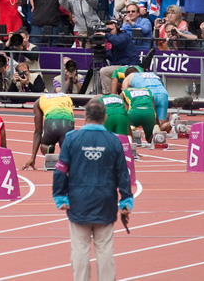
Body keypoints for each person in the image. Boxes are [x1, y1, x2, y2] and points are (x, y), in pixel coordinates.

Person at [52, 98, 133, 281]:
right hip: (106, 202)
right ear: (104, 117)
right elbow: (123, 173)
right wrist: (126, 200)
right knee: (105, 248)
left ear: (84, 115)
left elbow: (60, 171)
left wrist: (60, 197)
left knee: (80, 249)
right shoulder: (113, 141)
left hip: (78, 202)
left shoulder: (72, 138)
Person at [22, 92, 75, 170]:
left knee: (44, 146)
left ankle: (49, 150)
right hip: (68, 123)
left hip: (51, 123)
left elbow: (38, 131)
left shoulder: (38, 101)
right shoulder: (67, 97)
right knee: (67, 147)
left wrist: (32, 158)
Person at [122, 68, 171, 133]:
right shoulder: (152, 74)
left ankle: (133, 126)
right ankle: (171, 123)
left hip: (148, 94)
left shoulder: (128, 77)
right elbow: (162, 85)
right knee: (160, 127)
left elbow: (125, 96)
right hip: (163, 94)